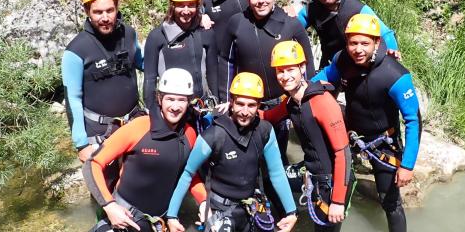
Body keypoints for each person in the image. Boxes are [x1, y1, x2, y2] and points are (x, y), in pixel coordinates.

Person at [312, 14, 422, 232]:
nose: (358, 49)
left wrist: (408, 165)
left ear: (377, 43)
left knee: (389, 201)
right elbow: (327, 75)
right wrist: (305, 88)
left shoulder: (395, 75)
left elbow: (413, 120)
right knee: (335, 191)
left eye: (365, 43)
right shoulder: (343, 59)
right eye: (353, 43)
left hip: (383, 144)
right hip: (350, 137)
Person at [166, 72, 298, 232]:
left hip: (250, 207)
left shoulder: (264, 131)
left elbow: (276, 173)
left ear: (259, 105)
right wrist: (172, 216)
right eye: (240, 104)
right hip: (220, 210)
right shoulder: (213, 135)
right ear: (231, 102)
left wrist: (291, 211)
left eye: (251, 105)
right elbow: (187, 174)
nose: (244, 111)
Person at [83, 68, 207, 232]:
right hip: (125, 217)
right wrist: (109, 206)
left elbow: (189, 174)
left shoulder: (189, 134)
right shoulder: (139, 127)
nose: (175, 106)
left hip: (160, 222)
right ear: (159, 98)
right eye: (170, 99)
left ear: (189, 101)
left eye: (181, 100)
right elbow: (92, 164)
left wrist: (204, 201)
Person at [218, 0, 315, 166]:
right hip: (247, 103)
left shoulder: (291, 24)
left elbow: (308, 65)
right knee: (245, 158)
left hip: (282, 103)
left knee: (276, 160)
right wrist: (226, 99)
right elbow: (226, 61)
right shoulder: (236, 23)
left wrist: (308, 99)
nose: (260, 0)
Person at [261, 41, 354, 232]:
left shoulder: (322, 102)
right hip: (310, 172)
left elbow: (343, 152)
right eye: (280, 71)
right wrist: (239, 108)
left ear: (302, 68)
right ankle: (287, 220)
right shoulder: (292, 103)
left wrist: (337, 201)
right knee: (270, 180)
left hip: (331, 182)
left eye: (290, 70)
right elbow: (268, 117)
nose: (285, 76)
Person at [61, 0, 144, 182]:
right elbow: (73, 99)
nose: (105, 17)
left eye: (110, 10)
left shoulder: (129, 34)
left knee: (139, 182)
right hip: (99, 131)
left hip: (133, 121)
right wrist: (81, 144)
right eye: (98, 12)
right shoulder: (76, 50)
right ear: (87, 11)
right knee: (104, 187)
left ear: (117, 8)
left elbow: (146, 65)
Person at [292, 0, 400, 69]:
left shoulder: (357, 8)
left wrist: (391, 56)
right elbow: (292, 29)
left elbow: (386, 34)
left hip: (357, 64)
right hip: (329, 65)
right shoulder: (311, 10)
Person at [144, 0, 219, 115]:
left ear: (198, 6)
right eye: (180, 5)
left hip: (202, 108)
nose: (186, 11)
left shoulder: (206, 33)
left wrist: (217, 105)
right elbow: (150, 79)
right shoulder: (157, 37)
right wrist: (151, 112)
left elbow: (213, 73)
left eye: (191, 5)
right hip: (172, 111)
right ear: (172, 6)